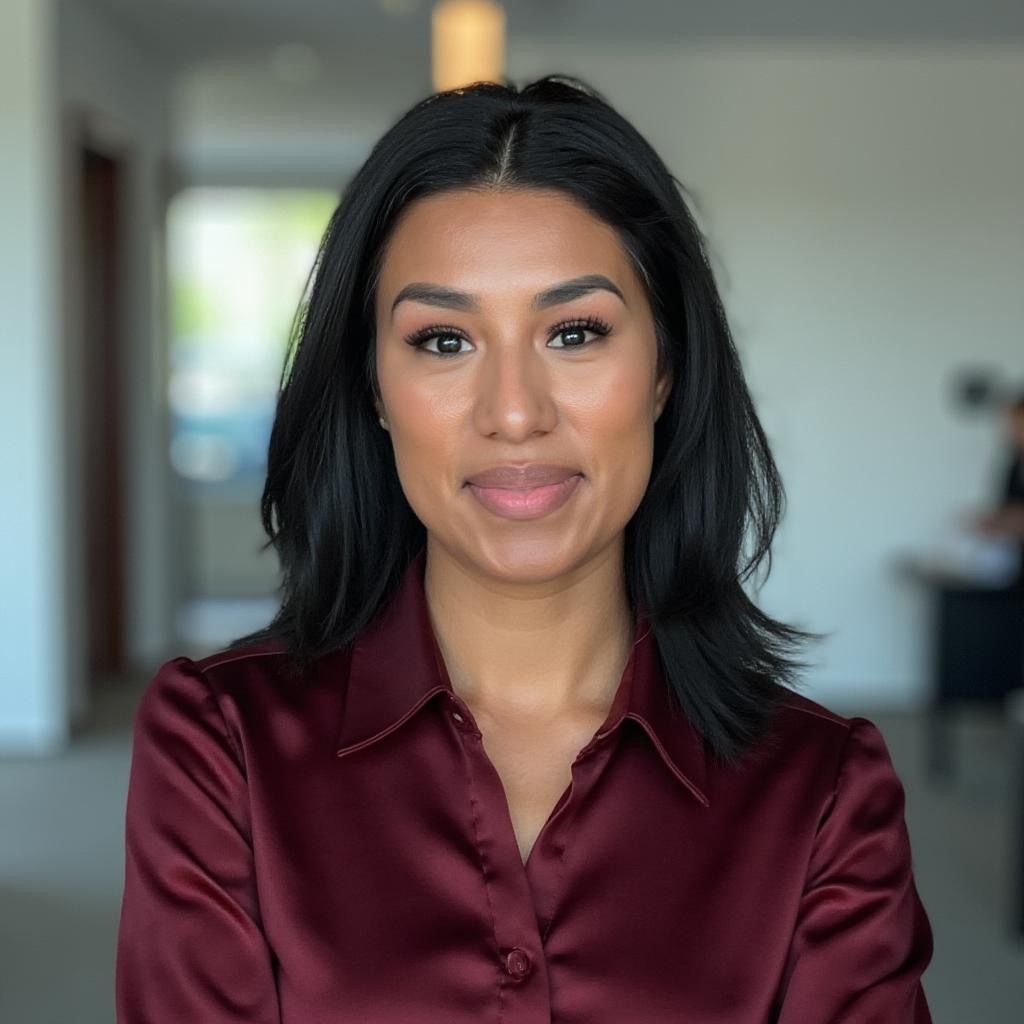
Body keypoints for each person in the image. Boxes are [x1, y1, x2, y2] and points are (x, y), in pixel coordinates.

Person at [115, 75, 934, 1022]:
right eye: (444, 341)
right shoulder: (222, 747)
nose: (514, 413)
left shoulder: (823, 790)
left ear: (665, 369)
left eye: (575, 332)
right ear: (374, 387)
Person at [970, 389, 1024, 588]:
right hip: (1012, 572)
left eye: (1018, 424)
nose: (1012, 431)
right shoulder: (1012, 464)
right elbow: (1004, 509)